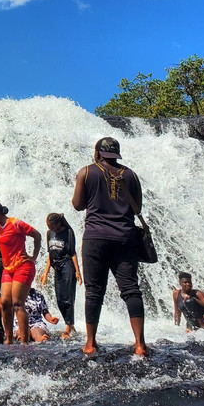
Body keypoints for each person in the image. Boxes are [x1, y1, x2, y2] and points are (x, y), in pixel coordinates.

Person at [71, 137, 148, 357]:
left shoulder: (86, 172)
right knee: (131, 288)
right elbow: (137, 207)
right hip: (125, 237)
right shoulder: (130, 175)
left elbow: (77, 205)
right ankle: (140, 344)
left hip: (95, 237)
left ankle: (90, 343)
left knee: (94, 291)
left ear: (97, 153)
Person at [0, 201, 41, 345]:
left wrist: (33, 256)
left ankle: (24, 342)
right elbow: (1, 241)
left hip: (23, 266)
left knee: (17, 303)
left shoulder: (16, 223)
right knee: (4, 303)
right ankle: (8, 339)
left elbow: (37, 235)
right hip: (8, 269)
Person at [38, 213, 81, 338]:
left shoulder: (68, 232)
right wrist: (46, 273)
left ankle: (68, 326)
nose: (51, 229)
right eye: (48, 227)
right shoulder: (49, 233)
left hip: (67, 265)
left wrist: (77, 272)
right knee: (59, 298)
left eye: (52, 226)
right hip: (56, 267)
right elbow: (50, 254)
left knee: (68, 297)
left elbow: (72, 253)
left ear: (58, 224)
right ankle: (70, 324)